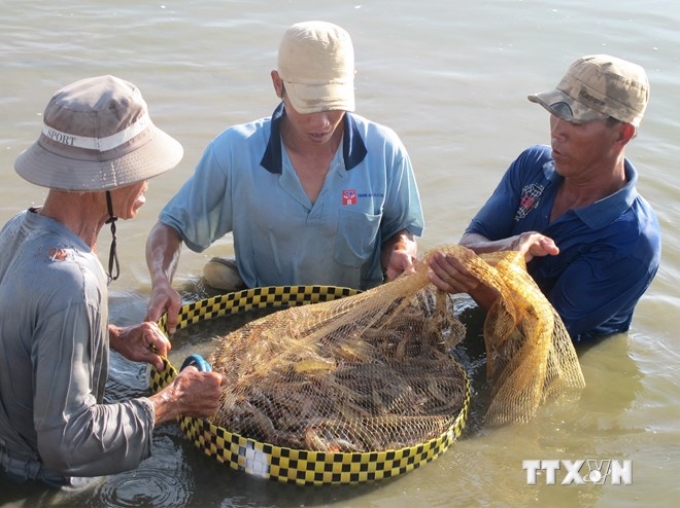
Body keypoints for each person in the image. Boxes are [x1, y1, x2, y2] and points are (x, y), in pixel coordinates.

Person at [0, 75, 227, 488]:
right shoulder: (74, 281)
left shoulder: (18, 229)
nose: (146, 183)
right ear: (99, 181)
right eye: (138, 169)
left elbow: (18, 333)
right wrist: (173, 401)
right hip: (44, 483)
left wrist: (112, 335)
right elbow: (68, 443)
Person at [145, 20, 424, 334]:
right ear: (278, 85)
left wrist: (401, 251)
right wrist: (160, 283)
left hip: (356, 320)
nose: (321, 122)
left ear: (352, 84)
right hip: (263, 324)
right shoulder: (235, 152)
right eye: (307, 104)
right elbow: (171, 227)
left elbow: (398, 229)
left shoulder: (384, 150)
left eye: (332, 104)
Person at [429, 54, 661, 343]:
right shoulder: (533, 164)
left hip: (564, 355)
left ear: (622, 134)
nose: (557, 131)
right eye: (557, 112)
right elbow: (470, 244)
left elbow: (544, 337)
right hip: (491, 314)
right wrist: (510, 246)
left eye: (577, 121)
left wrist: (475, 282)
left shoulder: (632, 240)